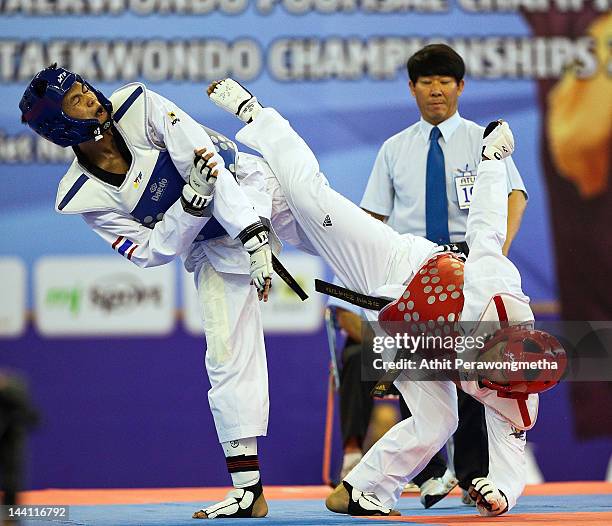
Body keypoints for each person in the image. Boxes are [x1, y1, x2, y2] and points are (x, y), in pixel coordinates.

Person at [203, 78, 565, 517]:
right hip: (398, 269)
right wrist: (492, 158)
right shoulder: (499, 295)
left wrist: (500, 495)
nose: (493, 373)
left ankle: (362, 490)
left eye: (501, 380)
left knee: (438, 422)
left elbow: (509, 465)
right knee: (307, 196)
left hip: (413, 341)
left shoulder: (519, 402)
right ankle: (256, 113)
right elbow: (485, 226)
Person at [19, 64, 278, 519]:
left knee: (349, 242)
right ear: (60, 126)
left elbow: (206, 165)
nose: (91, 97)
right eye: (76, 100)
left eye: (83, 87)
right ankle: (248, 490)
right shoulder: (80, 194)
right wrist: (190, 207)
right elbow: (151, 252)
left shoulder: (139, 104)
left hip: (257, 189)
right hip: (208, 247)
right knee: (225, 353)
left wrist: (253, 234)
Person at [360, 44, 528, 507]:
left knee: (478, 367)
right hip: (415, 266)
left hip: (470, 262)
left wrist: (493, 254)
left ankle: (475, 475)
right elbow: (372, 216)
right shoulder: (394, 149)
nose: (436, 90)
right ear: (412, 88)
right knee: (419, 366)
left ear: (460, 87)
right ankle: (431, 473)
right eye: (427, 82)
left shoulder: (482, 139)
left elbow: (515, 195)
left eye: (445, 81)